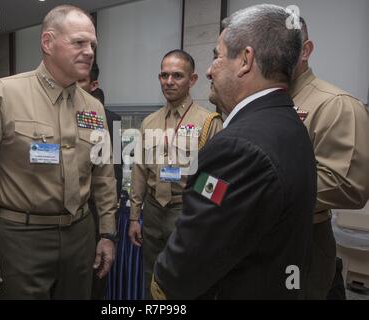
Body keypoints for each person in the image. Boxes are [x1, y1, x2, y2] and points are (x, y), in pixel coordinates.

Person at [0, 5, 117, 299]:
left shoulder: (94, 109)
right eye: (79, 42)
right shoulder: (2, 94)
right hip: (21, 239)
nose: (89, 51)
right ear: (48, 42)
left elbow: (103, 177)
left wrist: (106, 233)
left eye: (92, 44)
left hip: (81, 237)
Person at [151, 4, 316, 299]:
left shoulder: (237, 147)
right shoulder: (289, 123)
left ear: (245, 60)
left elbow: (183, 270)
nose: (210, 68)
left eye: (217, 55)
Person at [129, 49, 222, 298]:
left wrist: (206, 219)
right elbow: (139, 171)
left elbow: (217, 179)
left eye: (177, 76)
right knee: (150, 276)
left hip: (186, 211)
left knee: (185, 279)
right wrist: (133, 216)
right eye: (164, 75)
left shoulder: (208, 122)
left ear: (192, 80)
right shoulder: (149, 122)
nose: (169, 82)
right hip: (152, 212)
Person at [290, 17, 369, 299]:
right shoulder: (263, 100)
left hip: (304, 238)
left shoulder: (335, 104)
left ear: (305, 50)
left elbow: (347, 185)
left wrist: (263, 190)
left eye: (283, 46)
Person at [78, 62, 123, 299]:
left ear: (93, 84)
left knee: (94, 278)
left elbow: (113, 172)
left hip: (95, 212)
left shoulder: (109, 119)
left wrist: (107, 226)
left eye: (81, 81)